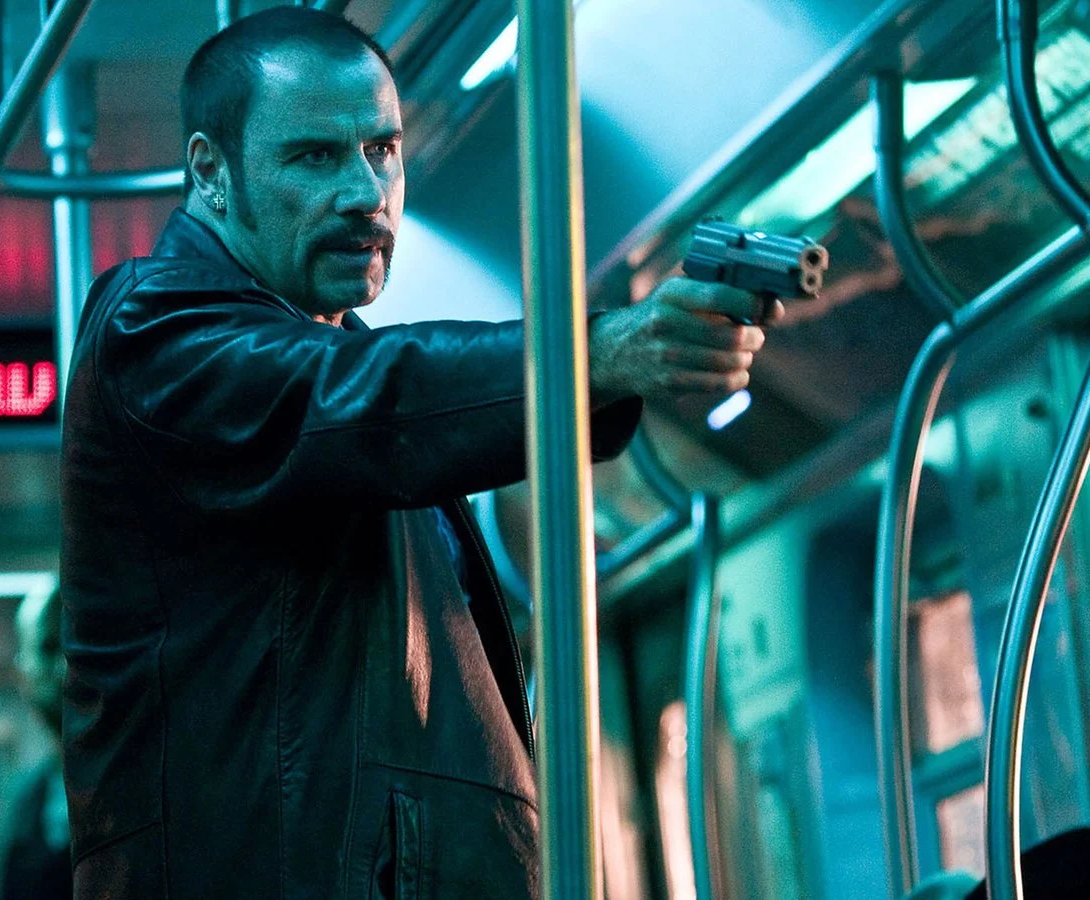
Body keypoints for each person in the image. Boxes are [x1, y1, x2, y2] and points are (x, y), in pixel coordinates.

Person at [59, 7, 778, 898]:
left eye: (382, 150)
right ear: (211, 172)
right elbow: (362, 399)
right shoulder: (154, 333)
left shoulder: (347, 365)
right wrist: (595, 356)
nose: (366, 192)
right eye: (314, 157)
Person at [0, 589, 72, 900]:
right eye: (49, 648)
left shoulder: (135, 781)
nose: (65, 667)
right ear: (22, 674)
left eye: (73, 646)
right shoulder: (26, 802)